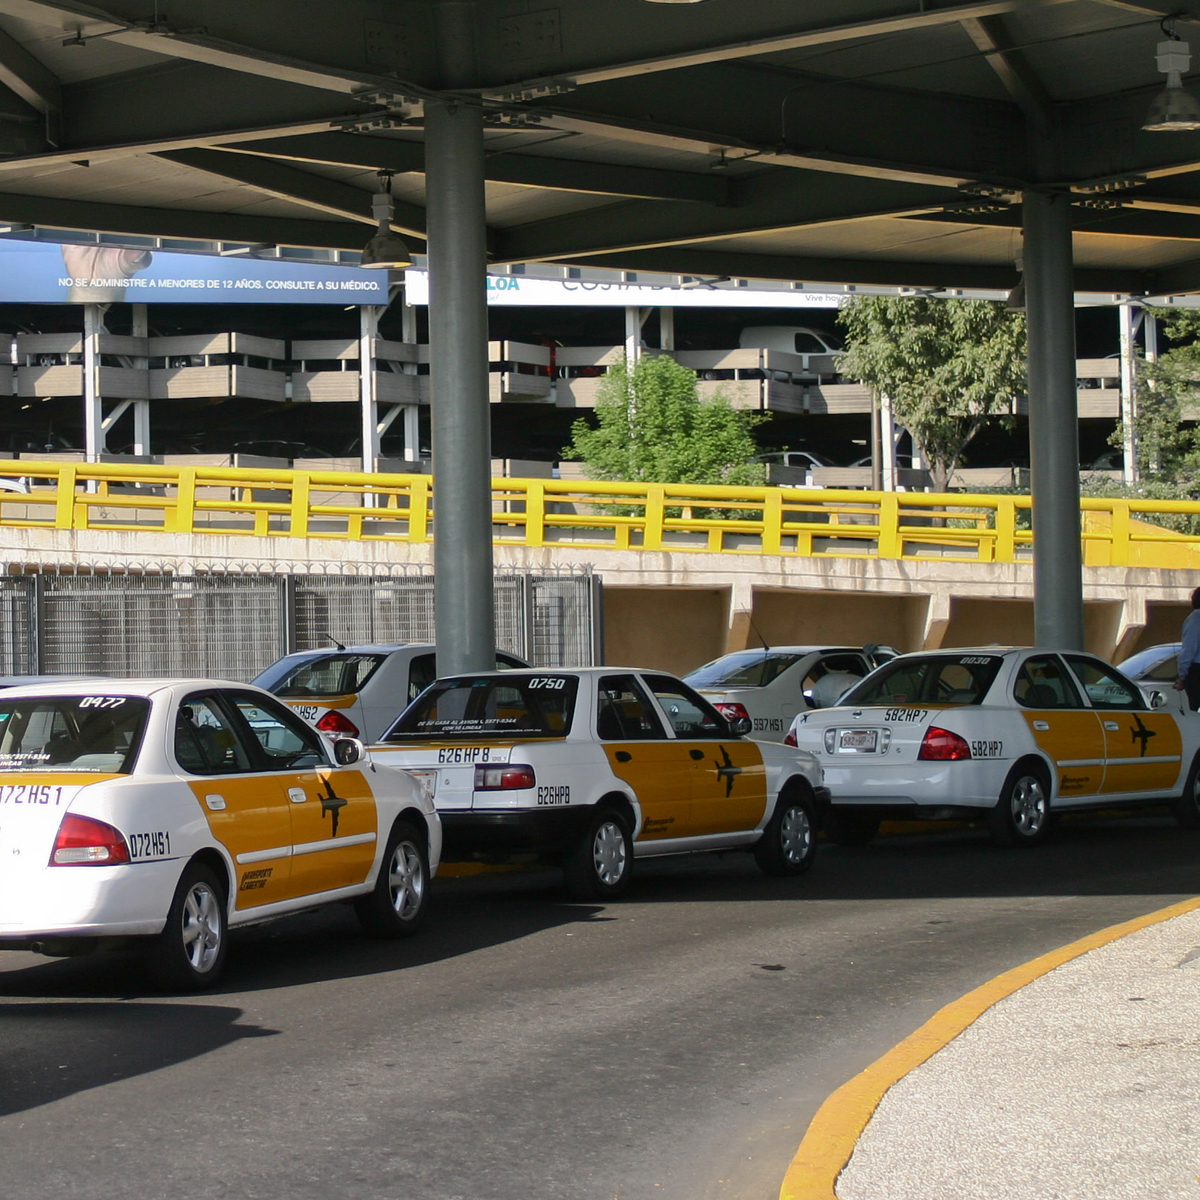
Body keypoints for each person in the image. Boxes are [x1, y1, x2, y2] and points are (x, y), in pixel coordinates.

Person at [1174, 587, 1200, 710]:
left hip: (1197, 672)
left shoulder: (1196, 618)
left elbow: (1189, 649)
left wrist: (1182, 676)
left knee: (1195, 712)